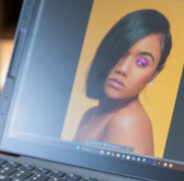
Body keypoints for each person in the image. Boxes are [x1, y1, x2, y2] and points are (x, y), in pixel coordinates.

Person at [73, 9, 172, 157]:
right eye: (120, 52)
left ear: (155, 74)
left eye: (141, 62)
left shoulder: (126, 121)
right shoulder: (91, 115)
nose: (123, 69)